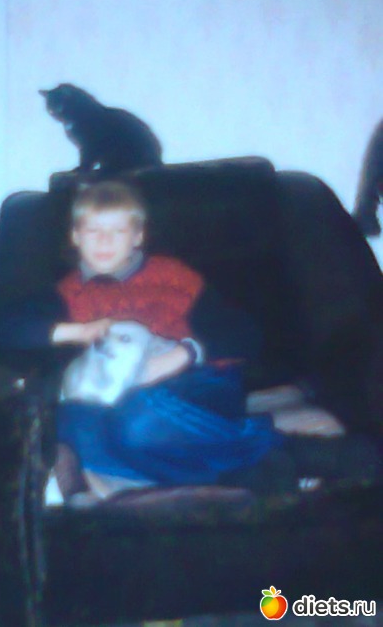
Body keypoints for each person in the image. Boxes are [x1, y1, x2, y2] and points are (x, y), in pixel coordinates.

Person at [44, 181, 292, 504]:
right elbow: (0, 328)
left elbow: (245, 335)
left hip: (201, 382)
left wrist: (183, 354)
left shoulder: (172, 276)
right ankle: (234, 472)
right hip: (130, 400)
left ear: (138, 236)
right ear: (76, 236)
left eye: (118, 231)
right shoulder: (68, 292)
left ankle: (281, 446)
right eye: (93, 231)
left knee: (138, 419)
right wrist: (74, 332)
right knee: (66, 425)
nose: (105, 241)